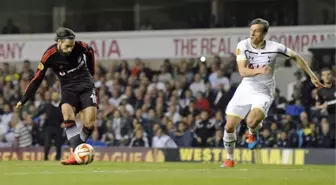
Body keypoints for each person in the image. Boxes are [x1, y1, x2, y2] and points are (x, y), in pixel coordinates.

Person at [221, 18, 324, 168]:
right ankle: (230, 158)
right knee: (229, 126)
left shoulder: (275, 47)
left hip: (264, 91)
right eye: (251, 30)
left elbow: (296, 56)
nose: (252, 33)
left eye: (256, 31)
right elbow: (243, 71)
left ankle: (252, 132)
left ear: (264, 33)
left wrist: (312, 76)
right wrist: (259, 70)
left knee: (251, 121)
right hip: (246, 88)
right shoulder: (242, 45)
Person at [15, 27, 98, 165]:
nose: (70, 49)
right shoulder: (49, 55)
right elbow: (37, 78)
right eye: (67, 46)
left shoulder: (80, 46)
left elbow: (90, 51)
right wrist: (24, 99)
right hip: (68, 88)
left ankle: (77, 151)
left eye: (72, 46)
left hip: (86, 86)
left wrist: (91, 71)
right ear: (59, 42)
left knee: (89, 122)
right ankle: (76, 152)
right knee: (67, 114)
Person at [33, 92, 64, 161]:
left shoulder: (62, 106)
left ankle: (58, 158)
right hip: (48, 127)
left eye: (56, 96)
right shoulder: (48, 105)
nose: (54, 97)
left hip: (58, 127)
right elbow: (39, 112)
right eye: (53, 95)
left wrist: (65, 122)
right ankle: (45, 157)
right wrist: (33, 117)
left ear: (58, 97)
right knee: (47, 143)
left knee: (58, 144)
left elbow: (66, 115)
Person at [316, 68, 336, 147]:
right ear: (321, 77)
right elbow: (317, 106)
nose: (326, 77)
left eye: (328, 74)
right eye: (324, 75)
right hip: (330, 116)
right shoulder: (320, 91)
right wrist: (323, 106)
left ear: (332, 76)